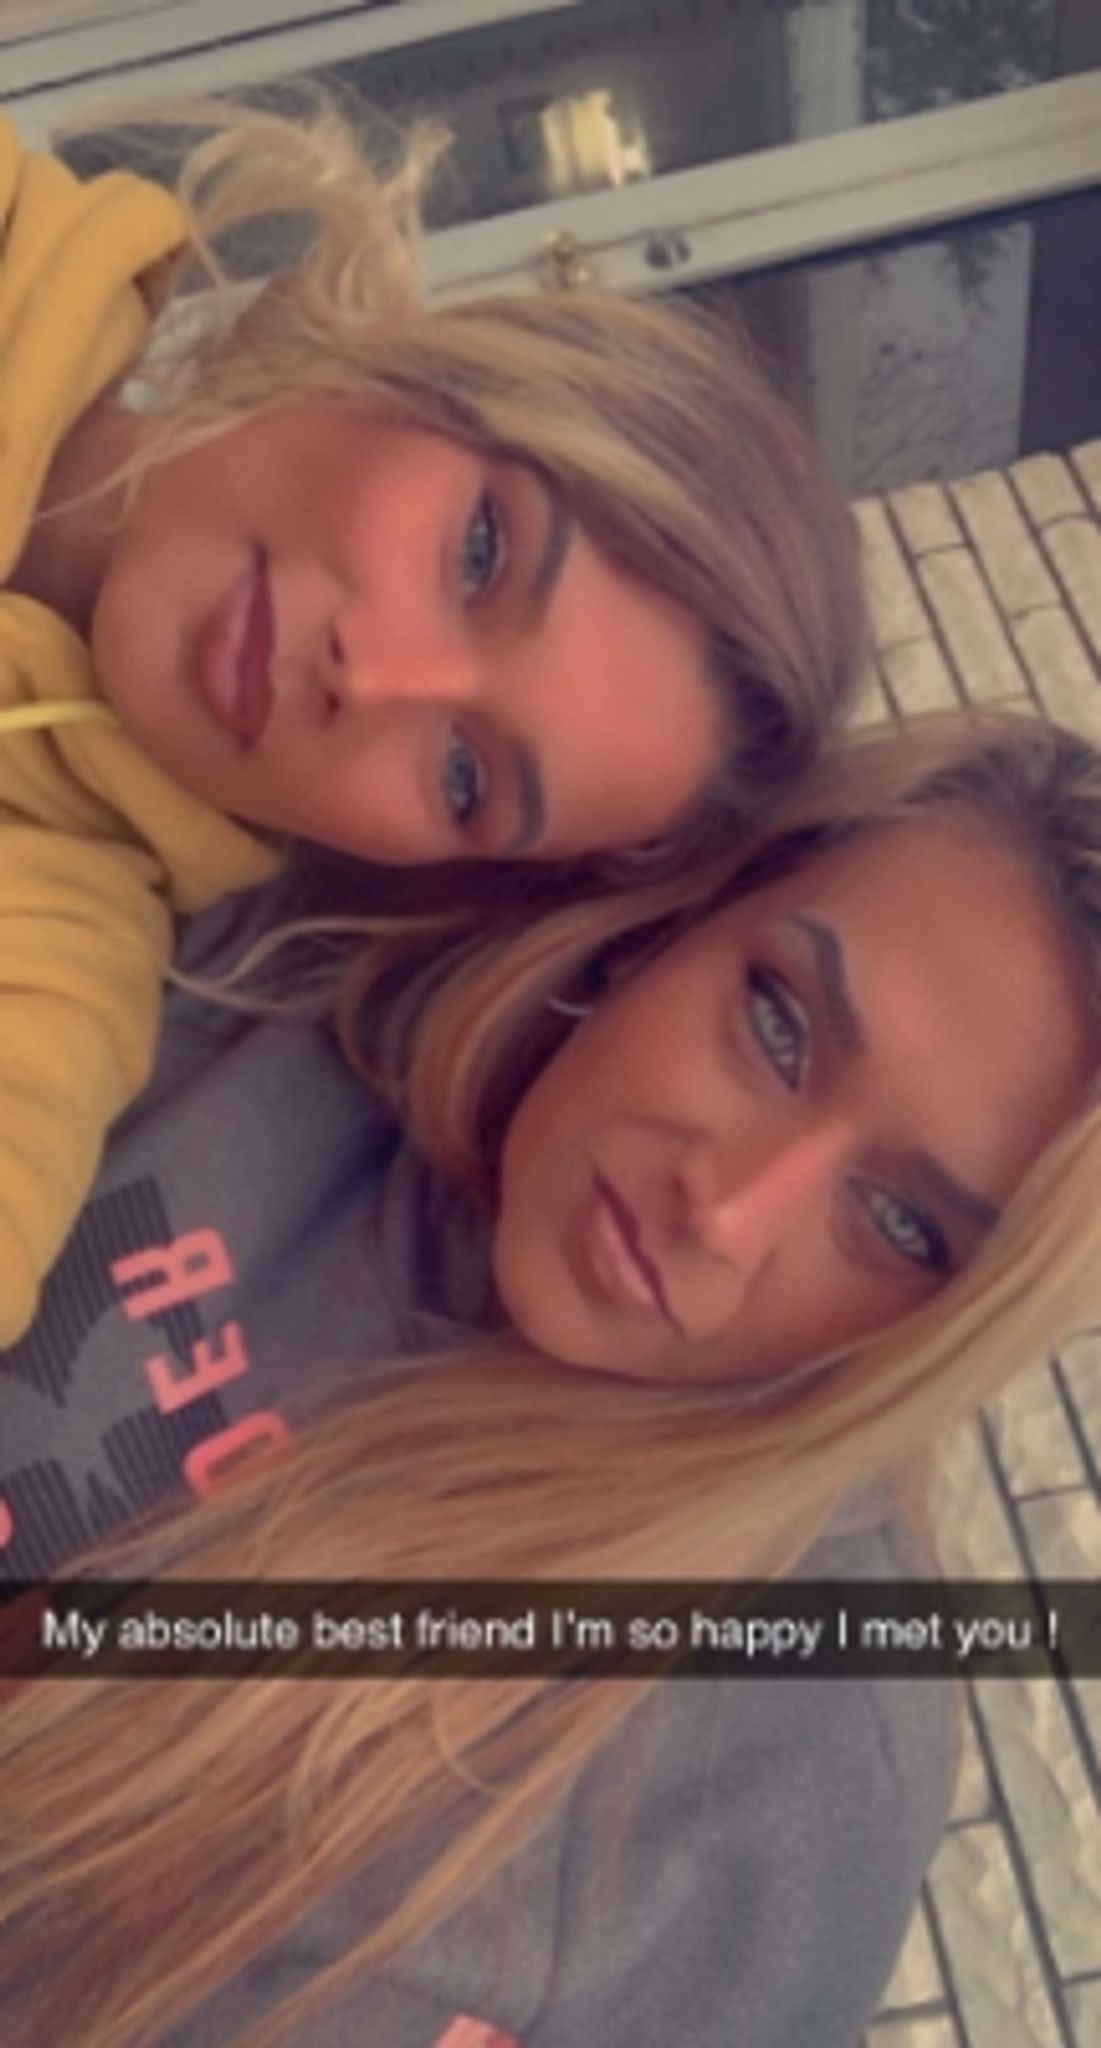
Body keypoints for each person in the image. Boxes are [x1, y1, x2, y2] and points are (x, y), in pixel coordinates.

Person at [1, 708, 1099, 2047]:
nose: (727, 1212)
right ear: (682, 920)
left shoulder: (791, 1780)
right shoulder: (290, 962)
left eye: (905, 1226)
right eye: (776, 1024)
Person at [0, 93, 865, 1349]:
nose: (374, 679)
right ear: (429, 379)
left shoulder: (52, 968)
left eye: (465, 774)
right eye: (479, 553)